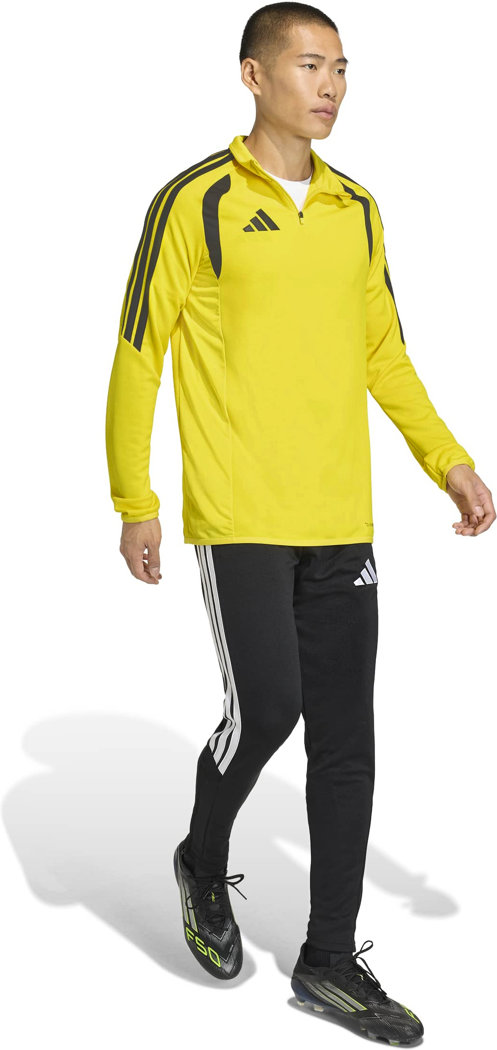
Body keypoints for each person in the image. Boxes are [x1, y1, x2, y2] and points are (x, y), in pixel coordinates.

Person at [105, 3, 494, 1043]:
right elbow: (140, 352)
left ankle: (327, 959)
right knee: (267, 710)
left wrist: (447, 460)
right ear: (253, 75)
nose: (329, 86)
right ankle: (201, 858)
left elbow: (382, 354)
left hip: (339, 516)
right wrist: (136, 501)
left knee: (347, 743)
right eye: (309, 65)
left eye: (341, 68)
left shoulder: (356, 208)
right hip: (239, 513)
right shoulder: (195, 202)